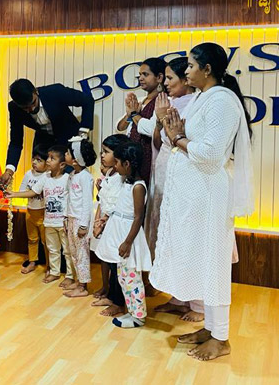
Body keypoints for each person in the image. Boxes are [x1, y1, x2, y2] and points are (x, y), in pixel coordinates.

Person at [150, 42, 254, 361]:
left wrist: (178, 139)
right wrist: (172, 130)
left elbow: (210, 155)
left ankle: (221, 338)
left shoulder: (222, 101)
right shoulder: (203, 97)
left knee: (214, 264)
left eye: (191, 65)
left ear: (207, 70)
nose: (186, 71)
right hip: (197, 198)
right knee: (204, 263)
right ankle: (210, 328)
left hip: (210, 198)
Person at [148, 57, 203, 322]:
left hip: (183, 176)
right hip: (165, 173)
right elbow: (159, 141)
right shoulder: (169, 103)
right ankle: (179, 297)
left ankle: (199, 305)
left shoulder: (195, 104)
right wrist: (159, 121)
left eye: (170, 78)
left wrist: (162, 119)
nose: (166, 83)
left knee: (188, 237)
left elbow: (185, 141)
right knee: (170, 235)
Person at [0, 78, 95, 189]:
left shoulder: (54, 92)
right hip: (44, 146)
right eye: (25, 108)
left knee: (70, 183)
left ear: (36, 91)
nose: (32, 109)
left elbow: (87, 100)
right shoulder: (14, 108)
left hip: (67, 142)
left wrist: (82, 133)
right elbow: (16, 142)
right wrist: (9, 171)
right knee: (42, 186)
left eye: (33, 103)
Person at [94, 141, 152, 329]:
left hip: (128, 236)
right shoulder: (125, 182)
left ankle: (139, 316)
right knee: (123, 278)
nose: (115, 165)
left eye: (118, 162)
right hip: (119, 231)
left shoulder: (138, 187)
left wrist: (127, 242)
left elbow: (138, 217)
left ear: (127, 164)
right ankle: (132, 311)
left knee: (132, 278)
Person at [6, 145, 74, 285]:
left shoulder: (68, 178)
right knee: (53, 249)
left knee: (67, 250)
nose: (48, 160)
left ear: (62, 164)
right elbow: (33, 192)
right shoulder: (45, 177)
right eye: (48, 157)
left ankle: (70, 275)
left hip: (63, 222)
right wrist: (13, 194)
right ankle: (54, 272)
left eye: (52, 158)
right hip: (49, 221)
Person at [91, 134, 129, 316]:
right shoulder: (109, 175)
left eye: (106, 152)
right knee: (111, 264)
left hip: (116, 226)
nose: (102, 155)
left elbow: (116, 203)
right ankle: (112, 296)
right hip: (108, 224)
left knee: (117, 265)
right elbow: (104, 199)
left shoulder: (121, 178)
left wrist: (104, 219)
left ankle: (118, 303)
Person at [116, 58, 166, 187]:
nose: (141, 78)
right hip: (132, 158)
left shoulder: (163, 102)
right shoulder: (140, 100)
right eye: (140, 75)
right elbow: (120, 127)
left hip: (149, 158)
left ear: (159, 77)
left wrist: (134, 114)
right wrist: (129, 115)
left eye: (145, 74)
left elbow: (152, 129)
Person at [62, 139, 97, 298]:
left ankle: (83, 286)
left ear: (76, 159)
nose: (65, 154)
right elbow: (68, 197)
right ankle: (79, 280)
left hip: (80, 221)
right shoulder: (72, 175)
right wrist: (65, 217)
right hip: (71, 218)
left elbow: (87, 203)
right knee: (74, 252)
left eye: (68, 153)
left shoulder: (85, 177)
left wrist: (84, 225)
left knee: (82, 253)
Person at [19, 144, 49, 275]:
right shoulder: (28, 174)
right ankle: (32, 262)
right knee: (32, 239)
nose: (34, 162)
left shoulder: (48, 176)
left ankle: (49, 266)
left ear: (47, 163)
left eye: (39, 160)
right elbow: (22, 190)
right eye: (33, 159)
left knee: (46, 242)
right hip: (30, 212)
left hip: (44, 213)